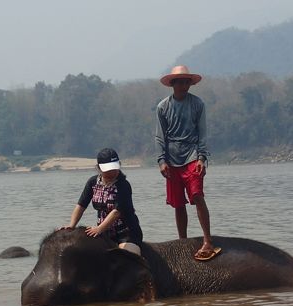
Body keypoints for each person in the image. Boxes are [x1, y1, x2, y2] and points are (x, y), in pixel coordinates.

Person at [156, 65, 221, 261]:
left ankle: (207, 240)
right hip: (172, 157)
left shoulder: (197, 104)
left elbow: (203, 133)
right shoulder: (163, 107)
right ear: (173, 84)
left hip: (192, 154)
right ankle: (182, 241)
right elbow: (159, 136)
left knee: (197, 196)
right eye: (181, 81)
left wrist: (202, 157)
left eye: (187, 81)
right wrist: (161, 161)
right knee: (178, 204)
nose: (184, 85)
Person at [61, 148, 143, 255]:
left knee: (125, 255)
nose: (112, 172)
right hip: (105, 233)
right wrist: (72, 225)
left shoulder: (123, 185)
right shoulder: (93, 182)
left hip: (126, 233)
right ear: (99, 168)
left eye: (114, 169)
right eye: (108, 170)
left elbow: (116, 212)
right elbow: (81, 205)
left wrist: (99, 228)